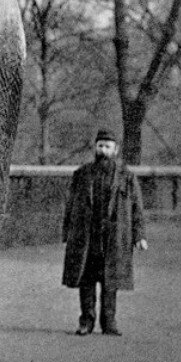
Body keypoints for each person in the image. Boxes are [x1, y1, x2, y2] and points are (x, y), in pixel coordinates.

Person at [62, 129, 148, 336]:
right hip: (87, 236)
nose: (103, 150)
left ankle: (109, 322)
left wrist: (139, 236)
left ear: (115, 150)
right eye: (100, 146)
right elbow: (70, 205)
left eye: (108, 147)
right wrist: (67, 233)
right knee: (86, 279)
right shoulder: (82, 174)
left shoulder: (127, 177)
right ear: (95, 148)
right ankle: (86, 321)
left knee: (111, 281)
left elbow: (137, 208)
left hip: (114, 236)